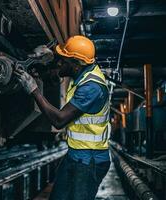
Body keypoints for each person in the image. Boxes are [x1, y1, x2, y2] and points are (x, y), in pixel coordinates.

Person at [14, 35, 111, 200]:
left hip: (89, 161)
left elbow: (59, 120)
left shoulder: (92, 88)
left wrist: (34, 90)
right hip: (76, 155)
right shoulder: (83, 72)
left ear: (75, 65)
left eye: (64, 60)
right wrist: (48, 55)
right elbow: (62, 67)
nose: (60, 63)